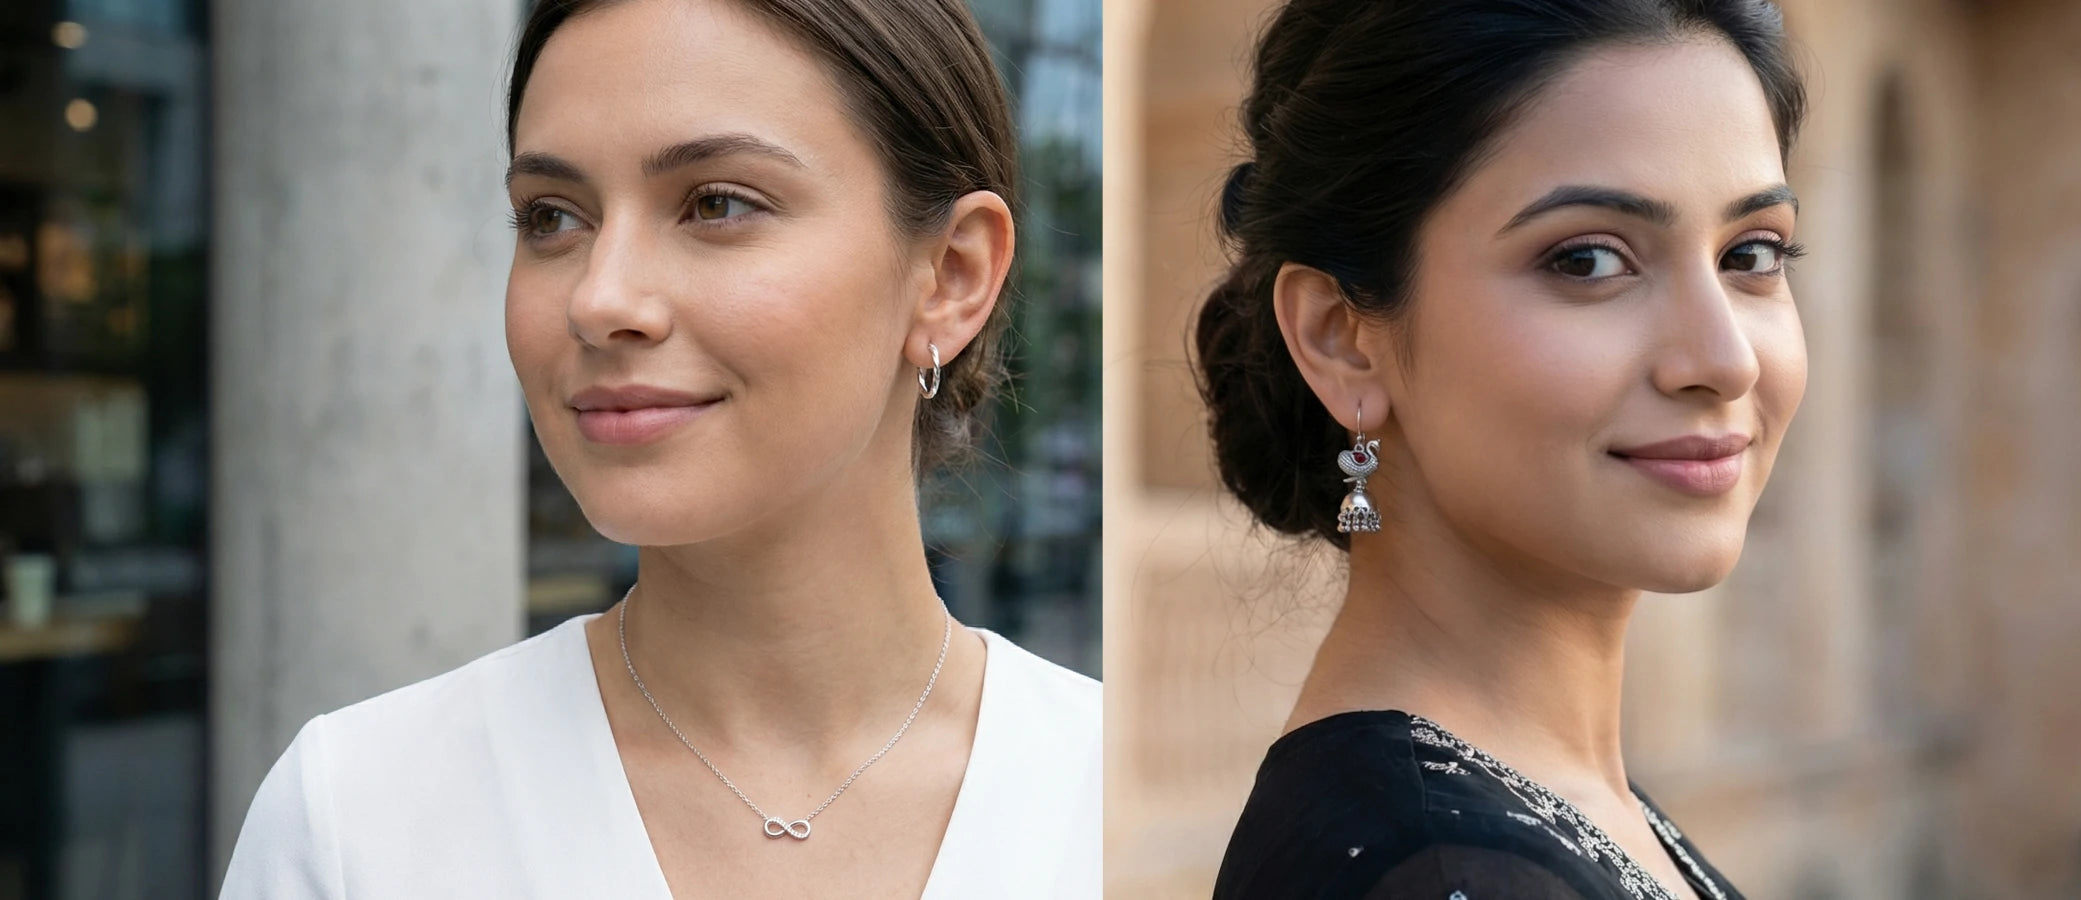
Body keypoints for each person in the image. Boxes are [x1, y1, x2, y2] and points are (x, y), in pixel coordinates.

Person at [219, 0, 1099, 896]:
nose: (599, 300)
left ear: (950, 277)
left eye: (716, 204)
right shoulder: (357, 818)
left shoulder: (1126, 811)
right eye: (552, 218)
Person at [1195, 1, 1809, 897]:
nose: (1723, 360)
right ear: (1341, 337)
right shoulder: (1443, 869)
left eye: (1752, 253)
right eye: (1589, 261)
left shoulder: (1551, 808)